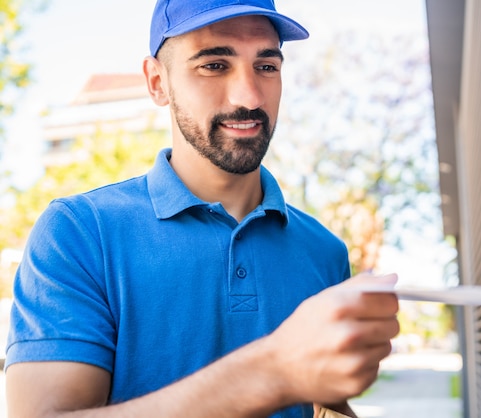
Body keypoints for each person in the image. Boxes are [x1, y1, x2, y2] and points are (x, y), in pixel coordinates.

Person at [4, 1, 400, 417]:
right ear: (158, 82)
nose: (249, 95)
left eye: (266, 66)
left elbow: (319, 405)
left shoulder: (324, 251)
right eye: (214, 65)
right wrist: (272, 373)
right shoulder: (79, 234)